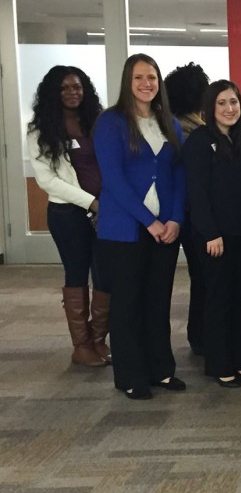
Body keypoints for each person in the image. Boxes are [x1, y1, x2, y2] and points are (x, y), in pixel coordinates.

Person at [93, 53, 186, 400]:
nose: (147, 84)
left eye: (152, 77)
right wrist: (150, 222)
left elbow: (179, 174)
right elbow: (114, 180)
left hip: (166, 229)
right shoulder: (111, 122)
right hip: (125, 230)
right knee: (128, 303)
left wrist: (175, 219)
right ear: (127, 83)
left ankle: (161, 370)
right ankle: (131, 376)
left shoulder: (169, 122)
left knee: (157, 301)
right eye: (139, 78)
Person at [28, 65, 110, 367]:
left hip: (105, 209)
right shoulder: (41, 130)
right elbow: (48, 181)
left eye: (77, 86)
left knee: (106, 275)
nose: (72, 92)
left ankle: (98, 340)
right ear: (53, 92)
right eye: (65, 88)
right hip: (67, 213)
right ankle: (81, 345)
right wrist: (92, 203)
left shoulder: (96, 122)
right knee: (76, 275)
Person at [183, 80, 241, 388]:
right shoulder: (200, 141)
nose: (230, 109)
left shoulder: (239, 140)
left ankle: (240, 361)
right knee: (219, 300)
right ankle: (219, 364)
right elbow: (197, 193)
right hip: (215, 237)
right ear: (210, 108)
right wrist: (210, 233)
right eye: (222, 103)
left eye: (234, 103)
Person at [164, 62, 210, 356]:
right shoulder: (194, 131)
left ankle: (199, 334)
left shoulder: (171, 125)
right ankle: (201, 335)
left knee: (200, 277)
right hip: (196, 214)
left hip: (180, 212)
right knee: (204, 277)